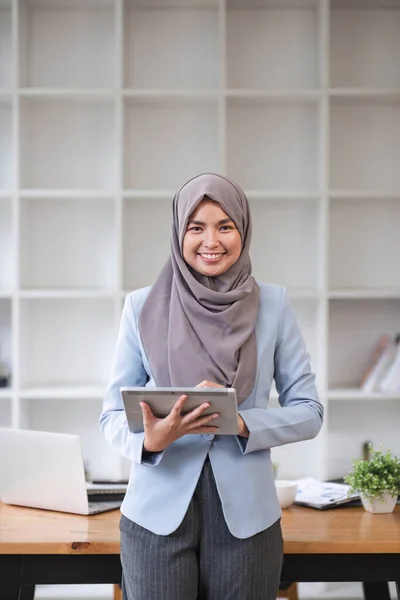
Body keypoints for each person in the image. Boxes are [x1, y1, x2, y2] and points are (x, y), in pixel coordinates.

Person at [100, 172, 324, 600]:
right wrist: (149, 441)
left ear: (243, 229)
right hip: (156, 518)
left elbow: (309, 410)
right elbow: (111, 416)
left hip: (246, 521)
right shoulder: (141, 306)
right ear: (178, 231)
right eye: (196, 227)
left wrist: (241, 423)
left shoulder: (273, 305)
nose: (211, 241)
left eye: (225, 226)